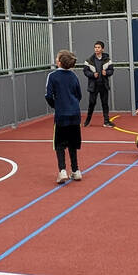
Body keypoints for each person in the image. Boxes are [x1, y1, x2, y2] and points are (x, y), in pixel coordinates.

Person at [45, 50, 83, 183]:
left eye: (57, 57)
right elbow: (79, 95)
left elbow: (48, 96)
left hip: (61, 115)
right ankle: (76, 170)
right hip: (75, 114)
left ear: (59, 61)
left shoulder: (53, 76)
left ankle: (62, 171)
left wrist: (57, 105)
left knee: (60, 144)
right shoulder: (74, 76)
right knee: (73, 143)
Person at [83, 41, 115, 127]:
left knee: (105, 104)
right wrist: (92, 75)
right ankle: (87, 121)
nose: (96, 49)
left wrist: (107, 72)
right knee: (91, 103)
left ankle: (106, 122)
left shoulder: (107, 60)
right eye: (95, 47)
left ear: (102, 49)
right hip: (93, 86)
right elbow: (85, 71)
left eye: (98, 47)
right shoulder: (89, 60)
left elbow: (111, 70)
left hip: (103, 85)